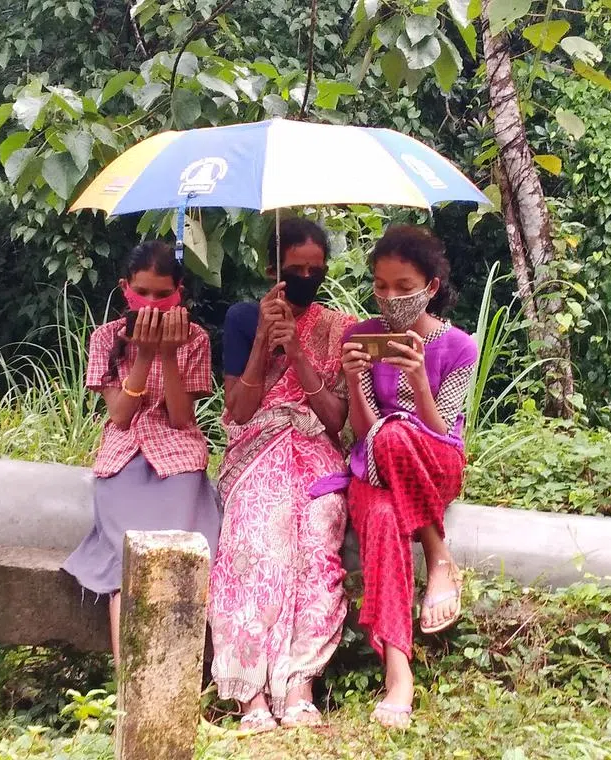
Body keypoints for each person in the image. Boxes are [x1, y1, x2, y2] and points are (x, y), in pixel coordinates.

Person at [314, 225, 478, 729]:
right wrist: (357, 380)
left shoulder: (457, 347)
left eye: (404, 288)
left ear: (430, 286)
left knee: (398, 433)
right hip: (373, 468)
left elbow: (443, 434)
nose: (390, 298)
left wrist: (415, 379)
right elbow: (362, 433)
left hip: (434, 463)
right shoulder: (360, 336)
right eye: (381, 286)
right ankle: (398, 671)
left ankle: (434, 551)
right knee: (381, 514)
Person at [208, 218, 355, 733]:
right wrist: (263, 344)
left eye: (316, 270)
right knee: (254, 540)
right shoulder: (245, 316)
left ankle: (299, 682)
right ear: (273, 268)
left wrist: (296, 351)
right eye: (297, 269)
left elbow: (336, 421)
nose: (307, 278)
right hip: (257, 447)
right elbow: (239, 410)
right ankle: (249, 691)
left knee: (318, 540)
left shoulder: (339, 328)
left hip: (315, 450)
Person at [63, 240, 221, 663]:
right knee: (127, 564)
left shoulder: (196, 340)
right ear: (125, 289)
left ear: (179, 293)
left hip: (178, 460)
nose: (151, 301)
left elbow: (181, 418)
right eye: (143, 292)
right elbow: (119, 415)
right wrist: (143, 354)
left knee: (181, 555)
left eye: (162, 294)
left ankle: (181, 672)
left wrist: (167, 354)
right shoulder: (104, 339)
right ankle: (127, 675)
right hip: (123, 459)